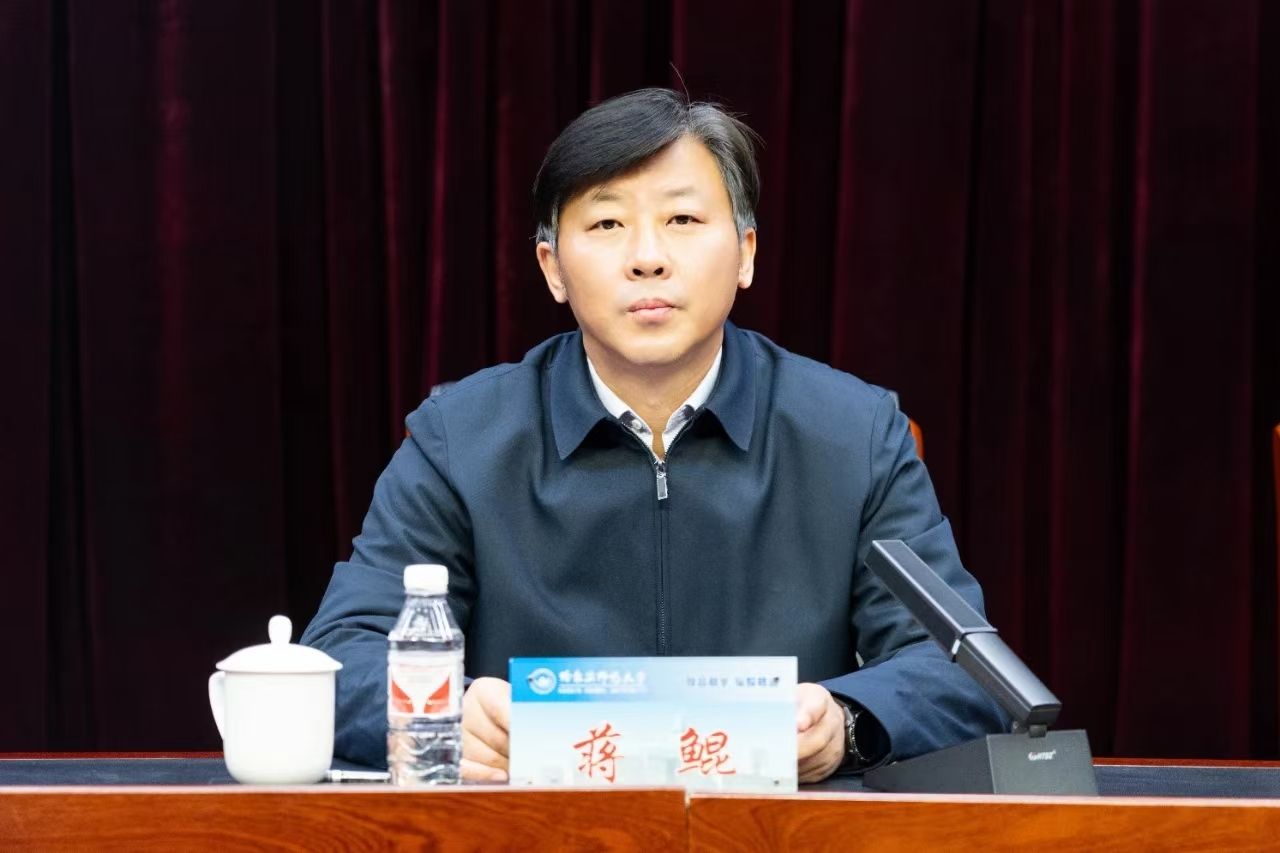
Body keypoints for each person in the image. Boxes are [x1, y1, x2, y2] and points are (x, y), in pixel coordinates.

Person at [301, 87, 1007, 782]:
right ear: (552, 268)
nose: (647, 257)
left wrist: (846, 723)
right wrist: (450, 715)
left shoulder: (854, 435)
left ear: (746, 254)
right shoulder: (461, 439)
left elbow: (964, 670)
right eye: (608, 223)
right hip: (537, 830)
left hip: (775, 830)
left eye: (683, 219)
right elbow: (338, 659)